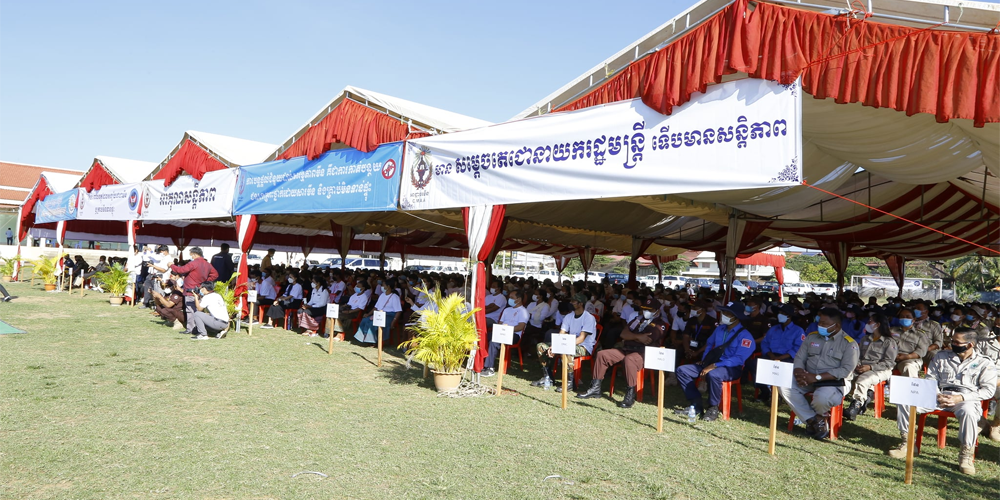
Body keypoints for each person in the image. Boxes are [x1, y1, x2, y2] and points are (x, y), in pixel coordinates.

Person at [887, 328, 997, 475]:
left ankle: (966, 455)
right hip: (938, 395)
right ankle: (907, 443)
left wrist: (960, 398)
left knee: (969, 412)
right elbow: (931, 378)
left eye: (957, 342)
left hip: (965, 398)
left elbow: (988, 390)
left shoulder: (984, 363)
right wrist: (938, 394)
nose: (952, 344)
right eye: (952, 341)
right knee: (906, 400)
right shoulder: (941, 356)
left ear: (970, 345)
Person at [780, 308, 859, 440]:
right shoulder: (812, 337)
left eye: (824, 323)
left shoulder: (849, 344)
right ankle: (813, 420)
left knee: (821, 398)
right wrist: (799, 372)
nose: (820, 326)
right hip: (808, 377)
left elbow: (845, 370)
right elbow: (800, 358)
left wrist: (816, 378)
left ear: (837, 326)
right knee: (784, 386)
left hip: (834, 382)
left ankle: (818, 419)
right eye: (819, 322)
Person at [578, 297, 667, 408]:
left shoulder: (660, 324)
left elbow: (648, 339)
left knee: (629, 360)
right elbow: (623, 334)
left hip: (644, 353)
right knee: (602, 355)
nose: (646, 312)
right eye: (644, 309)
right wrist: (638, 337)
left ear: (657, 311)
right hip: (627, 349)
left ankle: (630, 393)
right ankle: (595, 388)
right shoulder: (638, 319)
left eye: (650, 309)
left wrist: (632, 337)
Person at [674, 306, 755, 421]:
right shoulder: (720, 329)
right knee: (682, 370)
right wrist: (706, 360)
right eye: (724, 313)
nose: (723, 315)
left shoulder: (745, 336)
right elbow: (709, 344)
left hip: (731, 368)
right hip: (711, 363)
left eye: (727, 314)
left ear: (735, 318)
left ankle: (713, 408)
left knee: (714, 374)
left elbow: (738, 359)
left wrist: (714, 366)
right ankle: (696, 404)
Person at [532, 293, 598, 393]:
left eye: (573, 302)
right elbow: (562, 333)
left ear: (580, 304)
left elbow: (581, 338)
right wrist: (555, 346)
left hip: (584, 347)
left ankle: (569, 382)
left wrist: (561, 347)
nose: (570, 303)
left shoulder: (589, 318)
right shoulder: (569, 316)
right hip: (567, 344)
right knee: (541, 346)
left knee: (566, 350)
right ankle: (548, 377)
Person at [844, 313, 898, 420]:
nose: (867, 323)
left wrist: (870, 367)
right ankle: (839, 401)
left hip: (881, 369)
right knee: (845, 376)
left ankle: (855, 406)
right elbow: (858, 355)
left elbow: (889, 362)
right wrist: (858, 364)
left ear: (877, 324)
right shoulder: (865, 339)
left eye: (870, 321)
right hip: (862, 367)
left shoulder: (889, 342)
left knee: (863, 380)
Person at [754, 305, 806, 402]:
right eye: (779, 313)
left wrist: (781, 357)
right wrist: (770, 354)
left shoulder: (798, 331)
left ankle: (780, 395)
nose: (779, 315)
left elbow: (799, 348)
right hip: (771, 355)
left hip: (788, 357)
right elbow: (765, 343)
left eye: (783, 314)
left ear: (789, 316)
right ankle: (766, 391)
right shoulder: (773, 329)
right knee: (754, 365)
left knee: (783, 369)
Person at [482, 289, 528, 377]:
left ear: (518, 299)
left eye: (511, 297)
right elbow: (500, 323)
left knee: (494, 341)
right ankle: (481, 362)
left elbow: (520, 327)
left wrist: (507, 329)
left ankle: (489, 368)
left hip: (513, 334)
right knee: (483, 336)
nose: (509, 299)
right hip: (502, 332)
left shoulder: (523, 311)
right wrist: (500, 329)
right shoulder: (507, 310)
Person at [170, 247, 218, 312]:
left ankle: (191, 322)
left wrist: (171, 265)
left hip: (190, 290)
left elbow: (181, 270)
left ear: (194, 254)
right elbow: (215, 275)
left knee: (190, 310)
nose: (191, 257)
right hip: (200, 289)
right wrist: (205, 280)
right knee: (198, 309)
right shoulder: (207, 264)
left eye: (191, 255)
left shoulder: (193, 263)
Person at [354, 278, 402, 344]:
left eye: (383, 285)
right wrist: (368, 314)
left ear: (388, 287)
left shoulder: (395, 297)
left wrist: (393, 322)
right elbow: (376, 307)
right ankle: (363, 337)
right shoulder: (382, 295)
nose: (382, 287)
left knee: (372, 323)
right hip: (379, 314)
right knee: (365, 320)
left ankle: (372, 340)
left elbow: (398, 311)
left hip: (389, 316)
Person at [892, 308, 929, 377]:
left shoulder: (920, 334)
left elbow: (922, 351)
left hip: (910, 359)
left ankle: (911, 387)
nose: (904, 318)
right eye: (902, 316)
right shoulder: (891, 331)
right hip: (891, 359)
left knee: (908, 367)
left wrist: (907, 356)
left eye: (908, 317)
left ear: (914, 320)